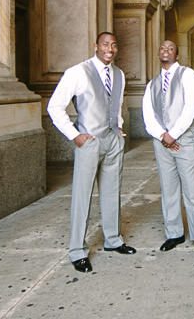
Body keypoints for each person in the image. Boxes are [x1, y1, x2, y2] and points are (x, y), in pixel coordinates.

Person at [47, 32, 136, 273]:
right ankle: (77, 250)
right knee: (82, 195)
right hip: (89, 141)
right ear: (96, 46)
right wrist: (74, 135)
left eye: (114, 45)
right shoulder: (78, 72)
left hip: (112, 141)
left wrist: (119, 127)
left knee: (112, 192)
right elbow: (54, 106)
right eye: (105, 44)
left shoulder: (119, 74)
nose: (110, 49)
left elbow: (116, 104)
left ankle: (113, 239)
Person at [143, 40, 194, 260]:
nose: (166, 50)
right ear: (159, 53)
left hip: (184, 141)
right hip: (161, 142)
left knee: (192, 191)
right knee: (169, 190)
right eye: (162, 48)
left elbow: (192, 106)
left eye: (170, 48)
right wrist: (162, 135)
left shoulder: (188, 75)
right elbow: (148, 114)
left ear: (177, 54)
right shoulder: (153, 83)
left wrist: (173, 134)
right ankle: (174, 234)